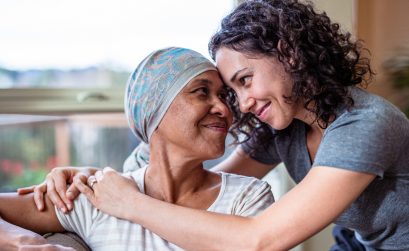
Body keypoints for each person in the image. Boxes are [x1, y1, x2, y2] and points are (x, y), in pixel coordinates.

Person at [19, 0, 409, 250]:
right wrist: (95, 180)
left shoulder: (365, 125)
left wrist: (130, 203)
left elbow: (260, 239)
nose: (239, 104)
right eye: (232, 92)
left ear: (289, 54)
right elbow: (196, 183)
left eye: (243, 81)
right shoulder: (285, 128)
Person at [0, 47, 275, 250]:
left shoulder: (247, 198)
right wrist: (23, 242)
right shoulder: (98, 196)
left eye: (223, 97)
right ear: (155, 109)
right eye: (202, 92)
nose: (224, 109)